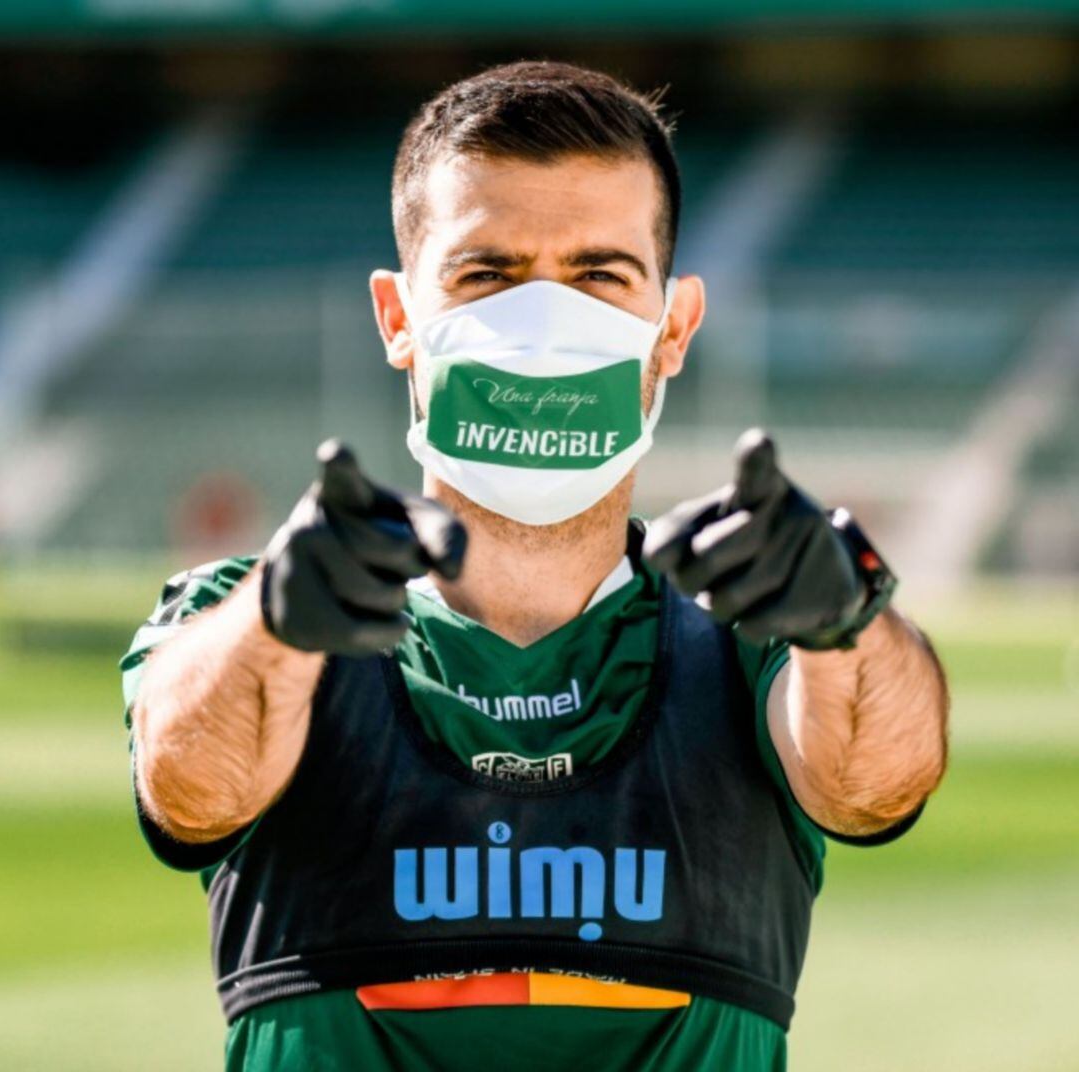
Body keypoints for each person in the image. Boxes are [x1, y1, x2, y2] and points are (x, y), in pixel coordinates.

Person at [120, 60, 949, 1072]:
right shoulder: (246, 617)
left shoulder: (761, 633)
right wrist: (273, 627)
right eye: (487, 273)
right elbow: (188, 789)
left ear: (674, 327)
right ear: (398, 319)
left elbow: (876, 786)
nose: (544, 323)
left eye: (600, 274)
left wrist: (850, 618)